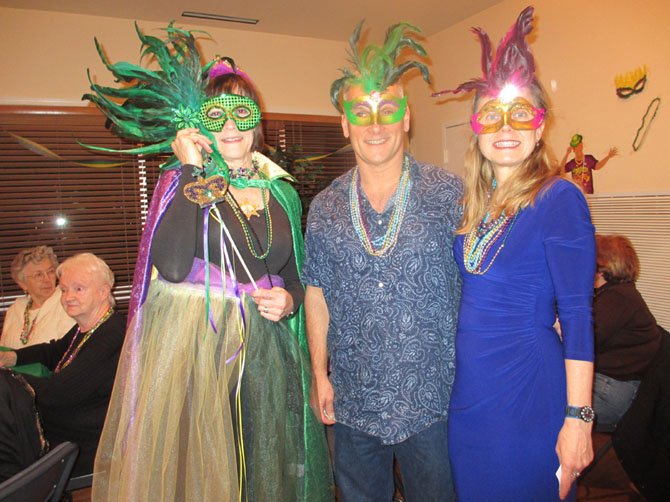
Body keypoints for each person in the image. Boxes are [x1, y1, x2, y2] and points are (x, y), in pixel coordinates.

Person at [86, 25, 332, 501]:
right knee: (201, 475)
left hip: (266, 350)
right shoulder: (182, 181)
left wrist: (288, 300)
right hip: (197, 347)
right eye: (215, 114)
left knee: (262, 467)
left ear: (257, 121)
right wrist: (191, 169)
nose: (230, 126)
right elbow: (173, 266)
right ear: (199, 123)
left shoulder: (281, 192)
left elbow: (298, 278)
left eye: (242, 112)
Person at [432, 7, 596, 501]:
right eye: (493, 114)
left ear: (541, 126)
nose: (507, 126)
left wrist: (579, 419)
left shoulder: (559, 198)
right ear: (476, 131)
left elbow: (578, 315)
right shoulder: (472, 206)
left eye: (522, 112)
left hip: (526, 392)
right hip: (471, 398)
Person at [303, 22, 463, 502]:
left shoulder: (449, 193)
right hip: (354, 399)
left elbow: (486, 272)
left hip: (434, 399)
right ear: (346, 123)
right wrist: (318, 372)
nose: (376, 124)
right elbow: (316, 292)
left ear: (407, 118)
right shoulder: (325, 206)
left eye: (388, 109)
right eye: (362, 112)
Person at [0, 252, 125, 480]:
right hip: (68, 422)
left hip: (85, 442)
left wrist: (9, 379)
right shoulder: (86, 327)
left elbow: (59, 392)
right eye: (65, 289)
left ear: (104, 291)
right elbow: (53, 350)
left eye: (79, 289)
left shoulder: (113, 332)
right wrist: (12, 358)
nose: (68, 297)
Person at [593, 234, 661, 430]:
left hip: (611, 394)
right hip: (608, 384)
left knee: (541, 404)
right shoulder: (617, 294)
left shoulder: (617, 300)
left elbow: (577, 345)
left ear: (601, 266)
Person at [1, 246, 75, 348]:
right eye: (38, 275)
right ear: (22, 283)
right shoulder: (14, 310)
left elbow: (68, 350)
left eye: (50, 272)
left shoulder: (67, 303)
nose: (47, 279)